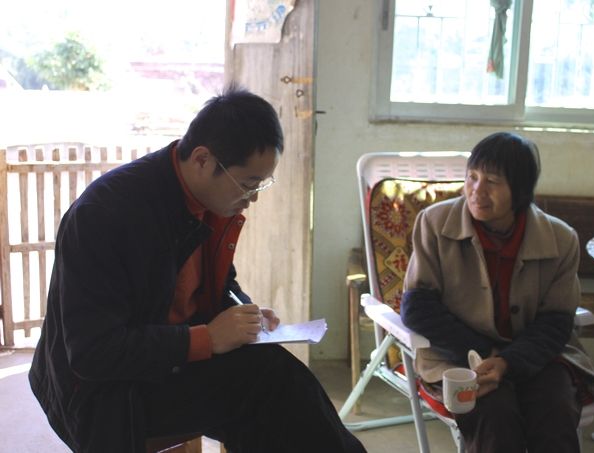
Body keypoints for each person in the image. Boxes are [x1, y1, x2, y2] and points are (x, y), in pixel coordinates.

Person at [29, 84, 366, 453]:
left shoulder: (208, 201)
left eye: (260, 186)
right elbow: (93, 353)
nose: (252, 199)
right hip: (102, 392)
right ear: (202, 160)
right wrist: (206, 339)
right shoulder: (107, 216)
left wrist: (242, 311)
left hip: (166, 361)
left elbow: (219, 284)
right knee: (271, 380)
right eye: (247, 185)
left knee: (272, 406)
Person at [401, 132, 594, 453]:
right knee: (493, 415)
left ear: (521, 189)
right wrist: (485, 353)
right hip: (459, 356)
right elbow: (417, 306)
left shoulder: (560, 238)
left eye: (493, 181)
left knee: (555, 412)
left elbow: (556, 321)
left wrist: (509, 362)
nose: (477, 191)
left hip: (537, 355)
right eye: (472, 177)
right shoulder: (434, 223)